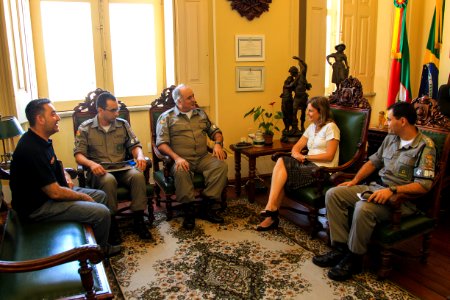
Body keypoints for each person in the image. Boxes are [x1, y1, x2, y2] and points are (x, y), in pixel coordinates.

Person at [313, 101, 436, 281]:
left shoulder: (425, 146)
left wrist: (392, 191)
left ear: (402, 121)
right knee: (334, 194)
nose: (386, 122)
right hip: (377, 188)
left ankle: (354, 259)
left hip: (402, 201)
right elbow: (373, 162)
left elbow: (424, 185)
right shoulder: (390, 138)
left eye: (389, 119)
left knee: (364, 208)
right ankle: (340, 250)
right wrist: (353, 181)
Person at [10, 99, 120, 257]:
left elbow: (55, 163)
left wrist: (65, 174)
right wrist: (82, 196)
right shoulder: (30, 149)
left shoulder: (41, 140)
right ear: (40, 119)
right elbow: (54, 192)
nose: (58, 118)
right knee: (101, 212)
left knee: (101, 196)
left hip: (53, 194)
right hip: (38, 208)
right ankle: (98, 252)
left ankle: (95, 241)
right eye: (53, 114)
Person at [74, 92, 152, 242]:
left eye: (117, 109)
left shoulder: (122, 124)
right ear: (100, 110)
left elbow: (135, 145)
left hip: (122, 168)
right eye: (113, 110)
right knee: (108, 180)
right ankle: (111, 224)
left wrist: (140, 155)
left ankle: (138, 220)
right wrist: (91, 164)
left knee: (137, 176)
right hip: (100, 170)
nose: (117, 113)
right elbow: (79, 154)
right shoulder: (85, 128)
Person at [257, 96, 340, 231]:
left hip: (322, 171)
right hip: (308, 166)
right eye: (307, 110)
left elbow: (329, 155)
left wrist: (306, 157)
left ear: (321, 112)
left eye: (311, 111)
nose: (307, 113)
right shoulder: (312, 127)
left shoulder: (331, 127)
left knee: (282, 168)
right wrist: (297, 154)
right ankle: (271, 211)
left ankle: (271, 213)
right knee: (281, 164)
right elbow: (296, 147)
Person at [156, 84, 228, 230]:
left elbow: (216, 131)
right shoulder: (167, 118)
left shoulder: (201, 114)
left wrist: (218, 144)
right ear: (178, 101)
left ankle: (206, 206)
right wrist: (176, 158)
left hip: (202, 157)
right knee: (181, 170)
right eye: (190, 97)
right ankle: (188, 210)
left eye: (193, 96)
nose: (194, 100)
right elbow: (161, 144)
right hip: (181, 158)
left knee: (221, 166)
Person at [291, 56, 312, 133]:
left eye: (291, 72)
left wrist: (300, 59)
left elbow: (305, 66)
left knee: (303, 112)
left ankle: (302, 126)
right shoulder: (293, 80)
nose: (291, 74)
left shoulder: (302, 75)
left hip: (303, 97)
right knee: (294, 111)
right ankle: (294, 127)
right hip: (297, 97)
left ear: (294, 72)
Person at [280, 66, 297, 134]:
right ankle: (286, 127)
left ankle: (291, 127)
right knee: (284, 114)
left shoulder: (293, 80)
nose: (290, 73)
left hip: (288, 99)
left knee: (289, 113)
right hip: (284, 98)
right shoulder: (290, 78)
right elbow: (286, 87)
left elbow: (292, 87)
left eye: (291, 72)